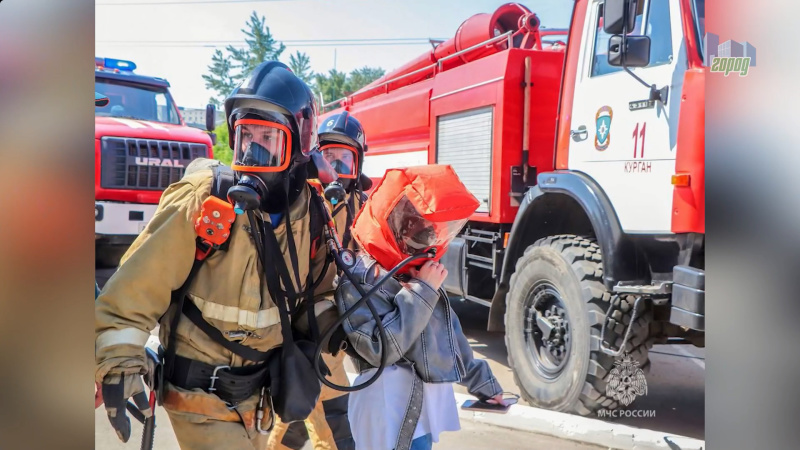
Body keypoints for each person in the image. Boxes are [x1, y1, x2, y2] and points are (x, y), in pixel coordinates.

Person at [95, 61, 341, 449]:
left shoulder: (309, 214)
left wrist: (343, 330)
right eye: (246, 137)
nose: (254, 152)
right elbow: (132, 292)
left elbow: (317, 299)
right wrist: (119, 362)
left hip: (259, 403)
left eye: (269, 140)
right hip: (196, 397)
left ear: (298, 148)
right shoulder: (204, 199)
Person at [335, 165, 507, 450]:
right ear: (393, 223)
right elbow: (380, 350)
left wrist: (482, 383)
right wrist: (422, 292)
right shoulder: (359, 280)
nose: (430, 241)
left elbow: (446, 337)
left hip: (421, 413)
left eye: (432, 230)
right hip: (385, 413)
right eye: (415, 226)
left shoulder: (415, 271)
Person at [267, 111, 370, 450]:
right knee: (334, 426)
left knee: (295, 424)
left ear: (359, 163)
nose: (336, 167)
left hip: (337, 323)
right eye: (329, 157)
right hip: (309, 326)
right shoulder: (305, 200)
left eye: (346, 159)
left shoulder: (362, 204)